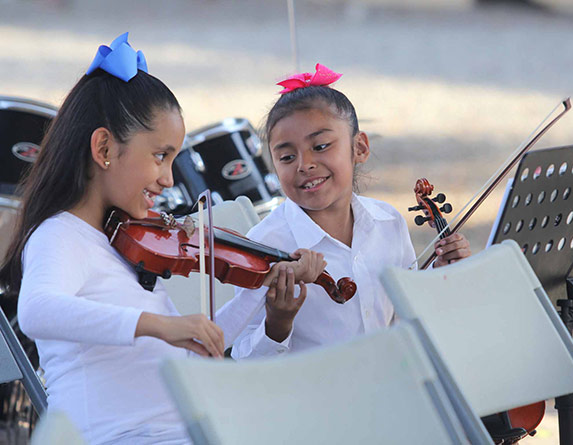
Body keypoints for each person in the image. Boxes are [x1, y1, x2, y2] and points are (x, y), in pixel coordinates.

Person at [0, 33, 323, 444]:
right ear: (104, 148)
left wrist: (261, 291)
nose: (168, 179)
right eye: (160, 155)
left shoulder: (120, 244)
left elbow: (187, 353)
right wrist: (158, 325)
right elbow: (36, 311)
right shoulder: (60, 234)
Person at [231, 64, 471, 359]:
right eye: (287, 156)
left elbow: (406, 313)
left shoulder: (388, 221)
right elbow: (242, 361)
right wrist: (277, 324)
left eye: (320, 146)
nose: (304, 164)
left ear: (359, 148)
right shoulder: (265, 246)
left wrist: (439, 274)